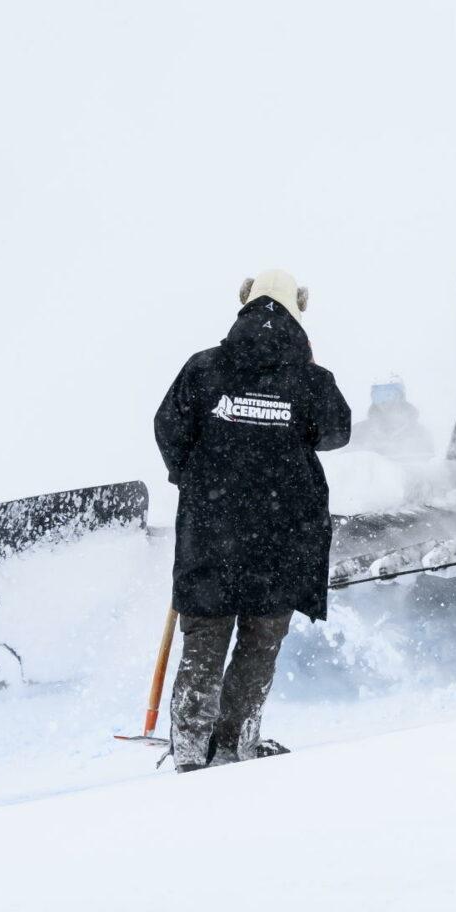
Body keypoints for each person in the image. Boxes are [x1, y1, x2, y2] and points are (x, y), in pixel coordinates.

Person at [152, 268, 351, 771]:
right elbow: (337, 432)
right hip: (283, 535)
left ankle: (190, 754)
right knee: (260, 641)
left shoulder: (203, 368)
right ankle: (234, 746)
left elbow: (168, 427)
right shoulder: (310, 378)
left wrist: (193, 477)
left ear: (245, 303)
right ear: (298, 311)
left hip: (210, 531)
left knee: (205, 637)